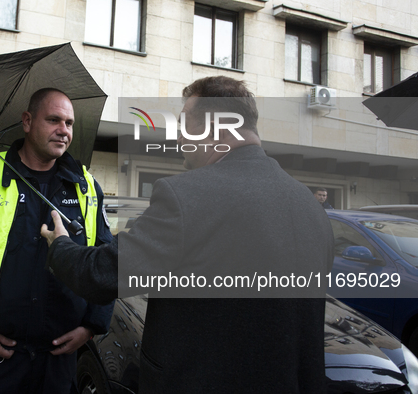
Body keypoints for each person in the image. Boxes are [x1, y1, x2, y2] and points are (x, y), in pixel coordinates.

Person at [41, 76, 334, 393]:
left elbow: (103, 275)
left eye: (184, 125)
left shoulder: (187, 196)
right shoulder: (310, 206)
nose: (178, 137)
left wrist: (60, 245)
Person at [0, 88, 114, 394]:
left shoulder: (87, 186)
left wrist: (91, 326)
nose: (63, 130)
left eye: (69, 123)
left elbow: (105, 262)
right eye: (53, 120)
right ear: (27, 121)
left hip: (58, 361)